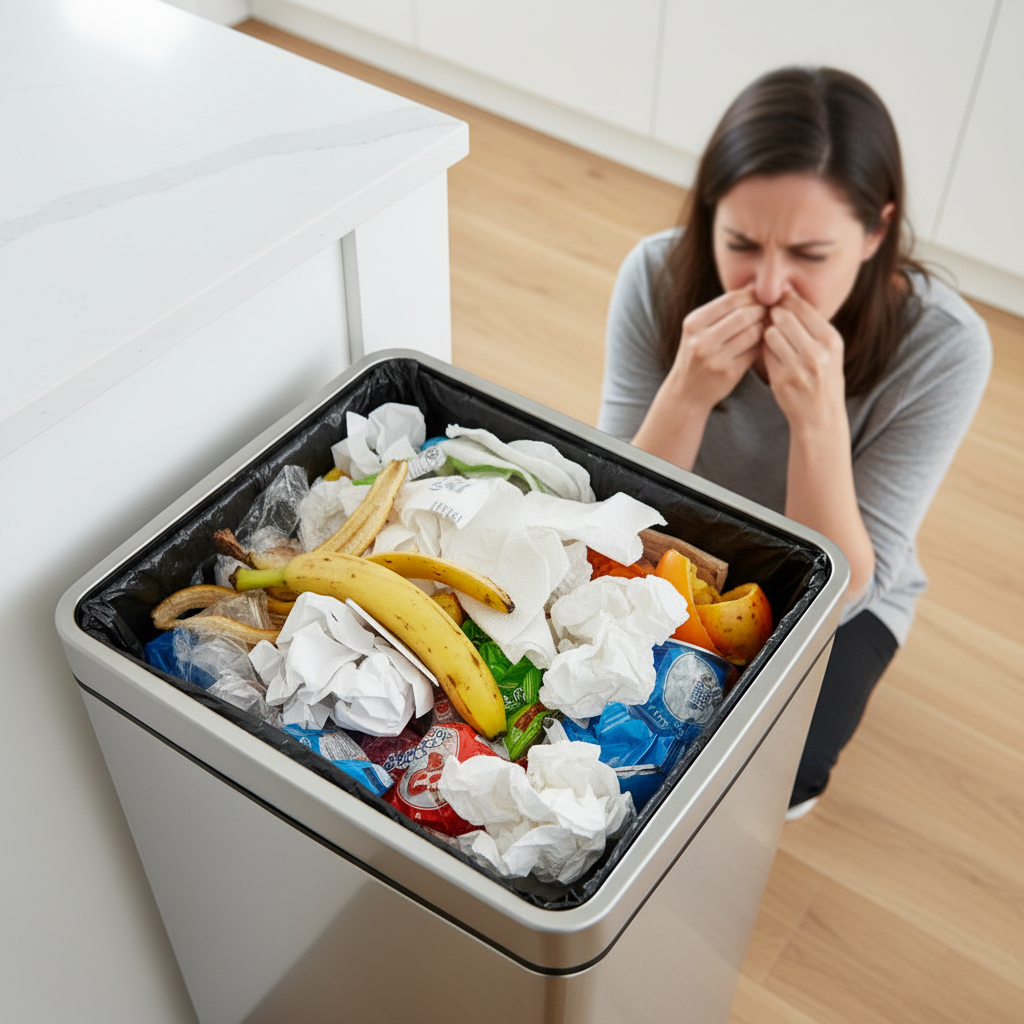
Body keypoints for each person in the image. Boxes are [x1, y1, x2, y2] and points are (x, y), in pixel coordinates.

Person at [597, 66, 992, 817]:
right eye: (741, 242)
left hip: (843, 583)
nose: (771, 284)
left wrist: (817, 421)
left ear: (876, 232)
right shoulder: (654, 273)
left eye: (810, 255)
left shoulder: (945, 346)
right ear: (710, 212)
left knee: (774, 781)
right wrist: (685, 394)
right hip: (673, 542)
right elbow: (611, 519)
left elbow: (844, 593)